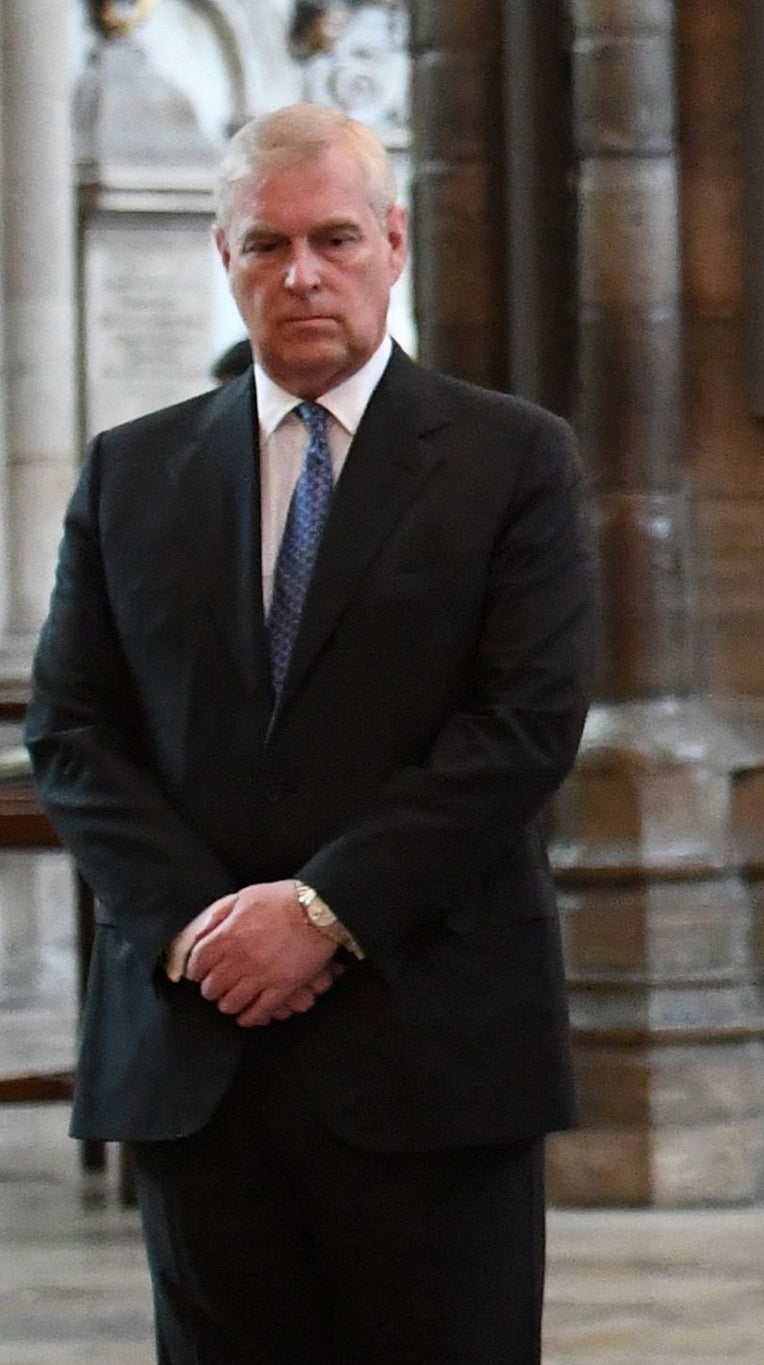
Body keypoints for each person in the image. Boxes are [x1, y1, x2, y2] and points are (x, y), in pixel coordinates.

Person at [26, 104, 596, 1364]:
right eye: (265, 245)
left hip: (432, 1038)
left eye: (334, 238)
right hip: (201, 1051)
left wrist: (322, 911)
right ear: (221, 260)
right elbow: (74, 732)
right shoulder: (132, 471)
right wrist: (197, 930)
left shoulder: (511, 461)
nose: (301, 275)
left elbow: (521, 726)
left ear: (393, 243)